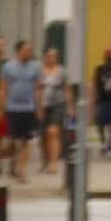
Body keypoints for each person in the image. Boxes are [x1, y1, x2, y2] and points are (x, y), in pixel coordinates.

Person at [0, 41, 39, 182]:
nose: (28, 53)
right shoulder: (8, 67)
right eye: (25, 50)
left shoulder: (35, 67)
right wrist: (1, 107)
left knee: (25, 141)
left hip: (28, 108)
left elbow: (37, 88)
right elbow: (3, 88)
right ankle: (12, 163)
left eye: (30, 50)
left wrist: (38, 108)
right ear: (18, 51)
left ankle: (21, 169)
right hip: (12, 108)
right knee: (12, 141)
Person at [37, 47, 69, 175]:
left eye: (54, 56)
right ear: (45, 57)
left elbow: (67, 89)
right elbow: (37, 88)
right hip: (43, 105)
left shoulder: (62, 71)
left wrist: (70, 107)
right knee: (43, 136)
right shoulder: (40, 71)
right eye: (49, 56)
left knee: (53, 132)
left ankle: (54, 163)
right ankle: (45, 161)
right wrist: (38, 106)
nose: (52, 58)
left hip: (58, 104)